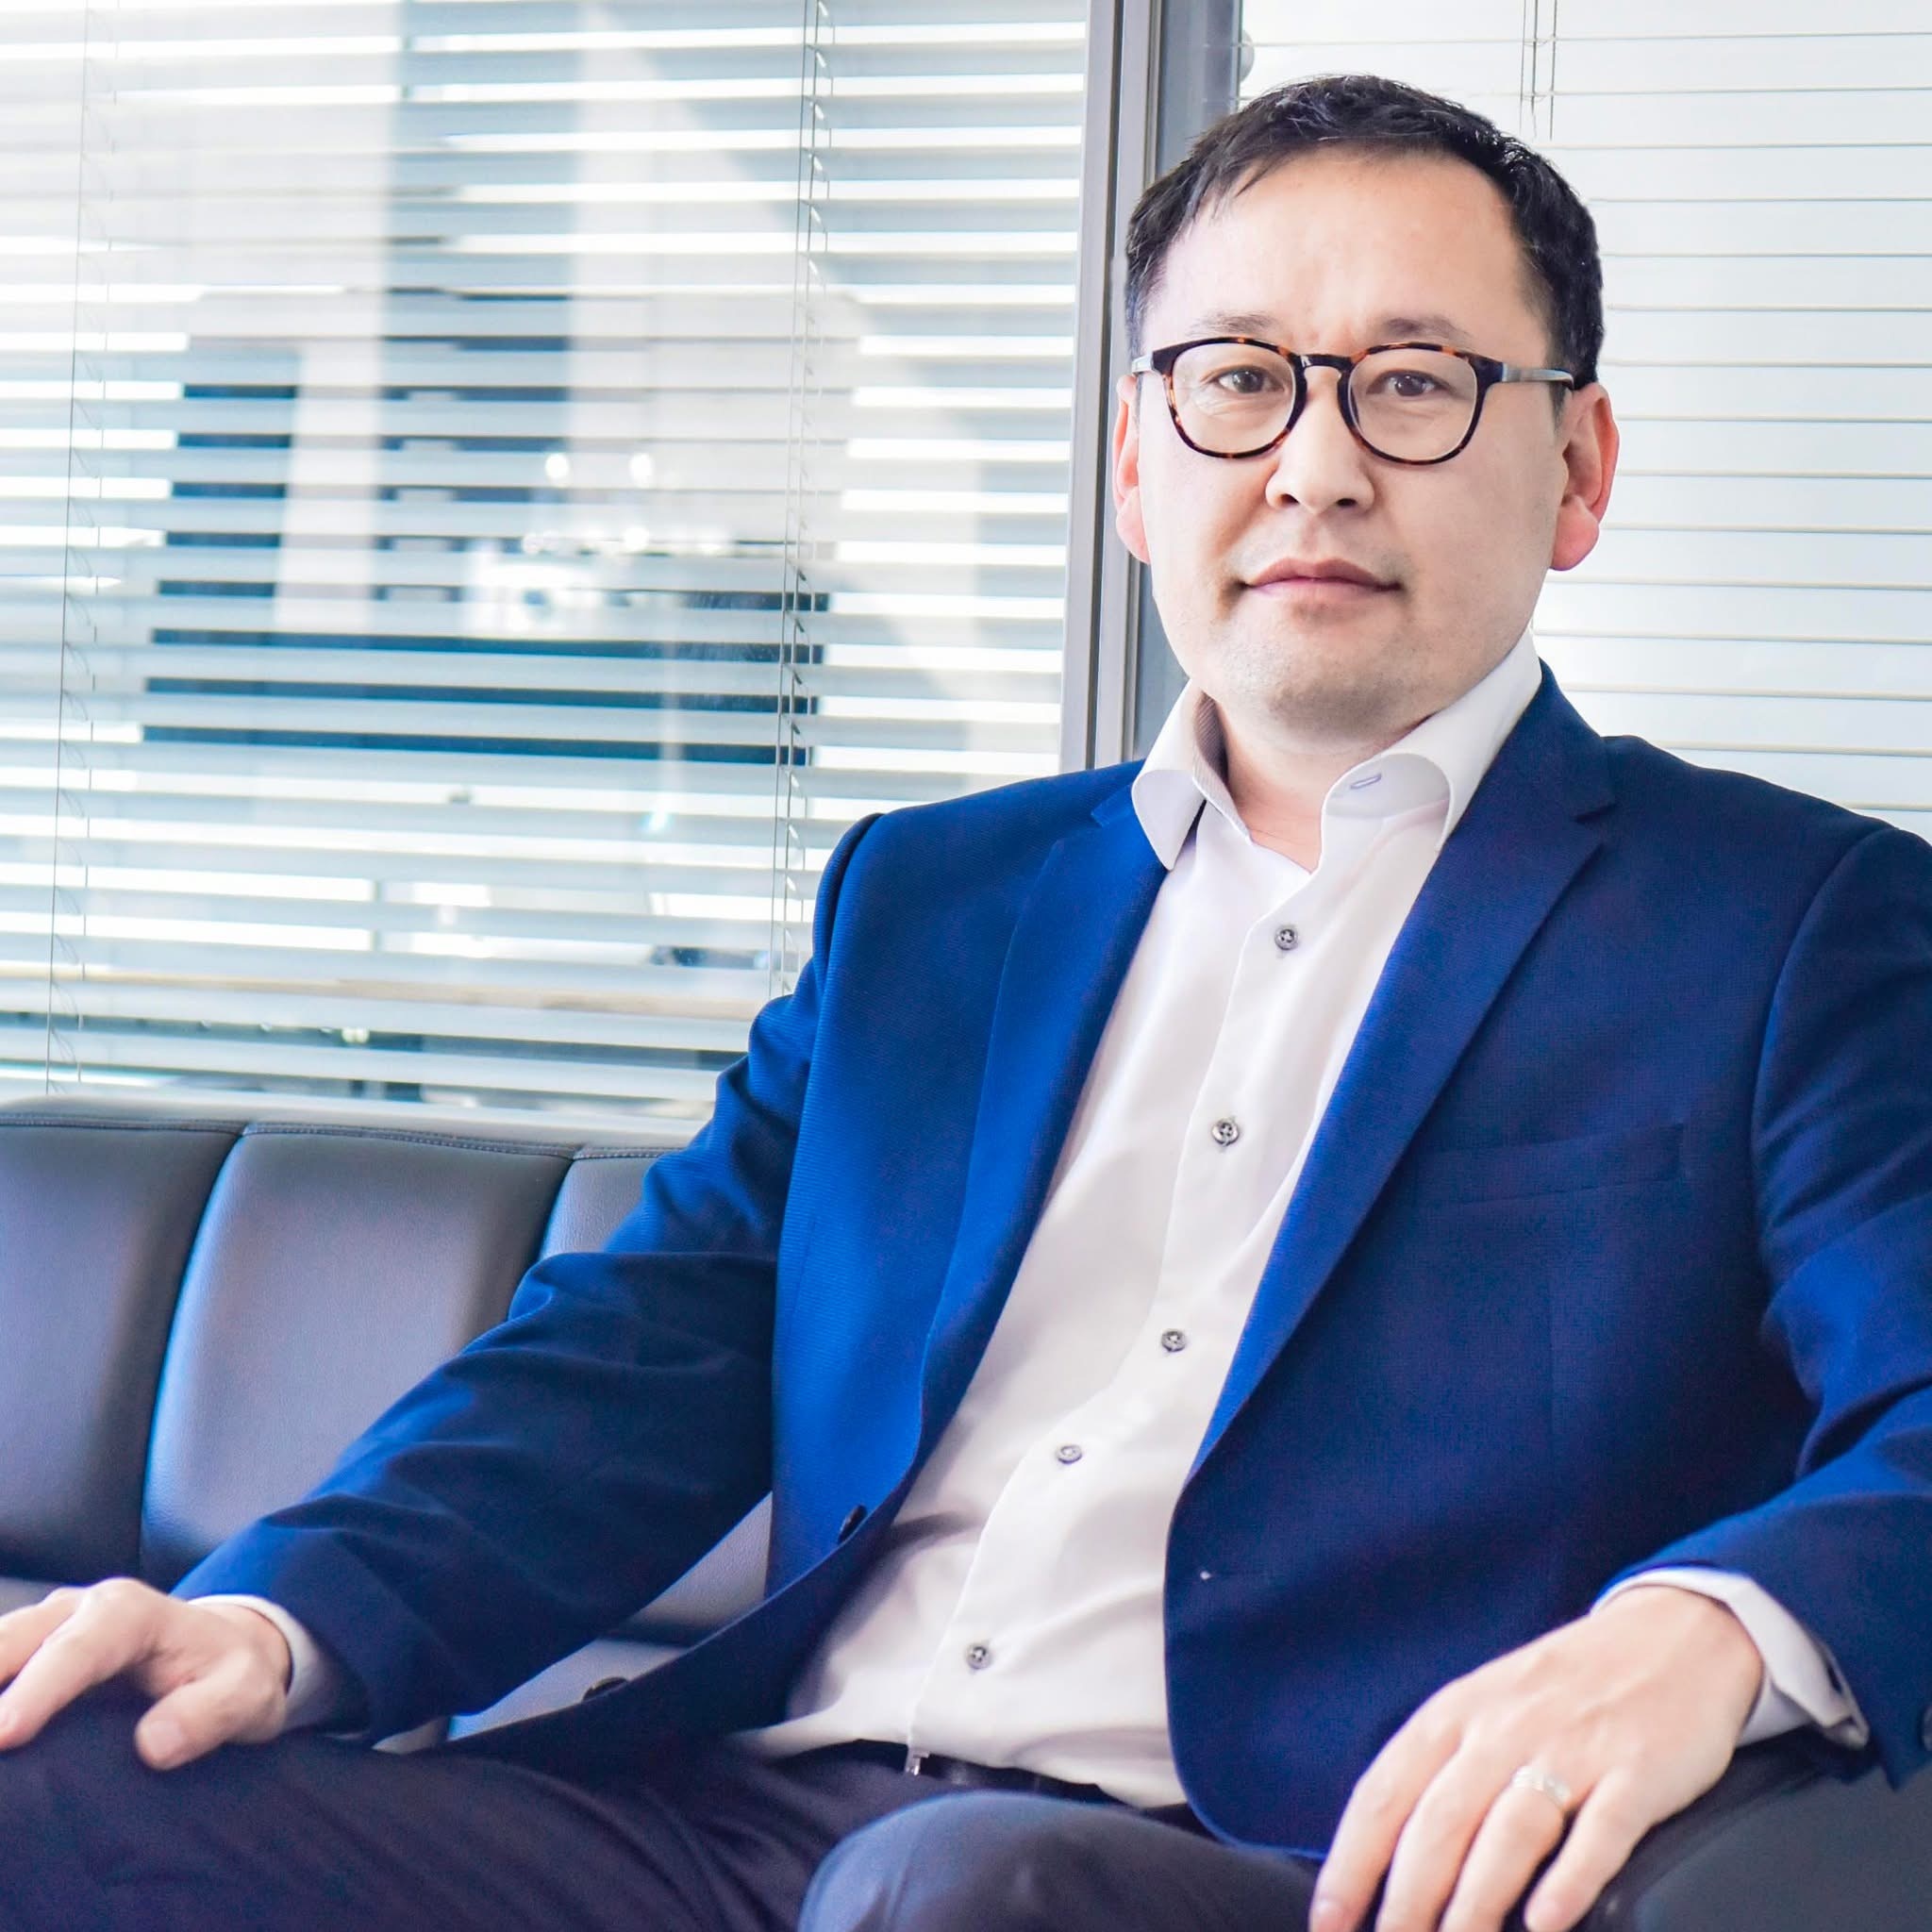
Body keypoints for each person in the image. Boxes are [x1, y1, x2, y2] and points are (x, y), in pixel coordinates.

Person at [2, 71, 1928, 1932]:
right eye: (1237, 380)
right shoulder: (932, 902)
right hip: (737, 1829)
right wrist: (270, 1618)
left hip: (1267, 1865)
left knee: (949, 1891)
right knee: (50, 1776)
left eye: (1415, 385)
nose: (1315, 464)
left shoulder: (1788, 927)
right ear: (1135, 463)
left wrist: (1706, 1634)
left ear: (1576, 471)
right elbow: (639, 1355)